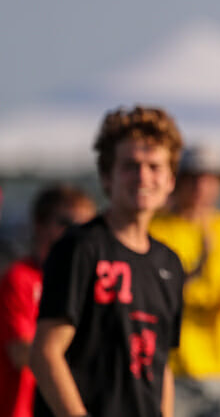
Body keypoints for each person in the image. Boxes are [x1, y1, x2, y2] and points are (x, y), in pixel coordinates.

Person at [30, 106, 185, 417]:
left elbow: (161, 364)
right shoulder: (80, 247)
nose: (143, 176)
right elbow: (46, 353)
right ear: (106, 177)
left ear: (170, 180)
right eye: (130, 166)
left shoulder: (170, 263)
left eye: (154, 166)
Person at [149, 144, 220, 417]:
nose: (202, 185)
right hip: (171, 374)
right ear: (177, 180)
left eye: (211, 177)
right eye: (194, 176)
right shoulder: (154, 231)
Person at [0, 185, 95, 417]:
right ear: (39, 225)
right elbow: (20, 352)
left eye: (87, 226)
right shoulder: (19, 278)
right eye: (67, 223)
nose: (78, 233)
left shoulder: (90, 282)